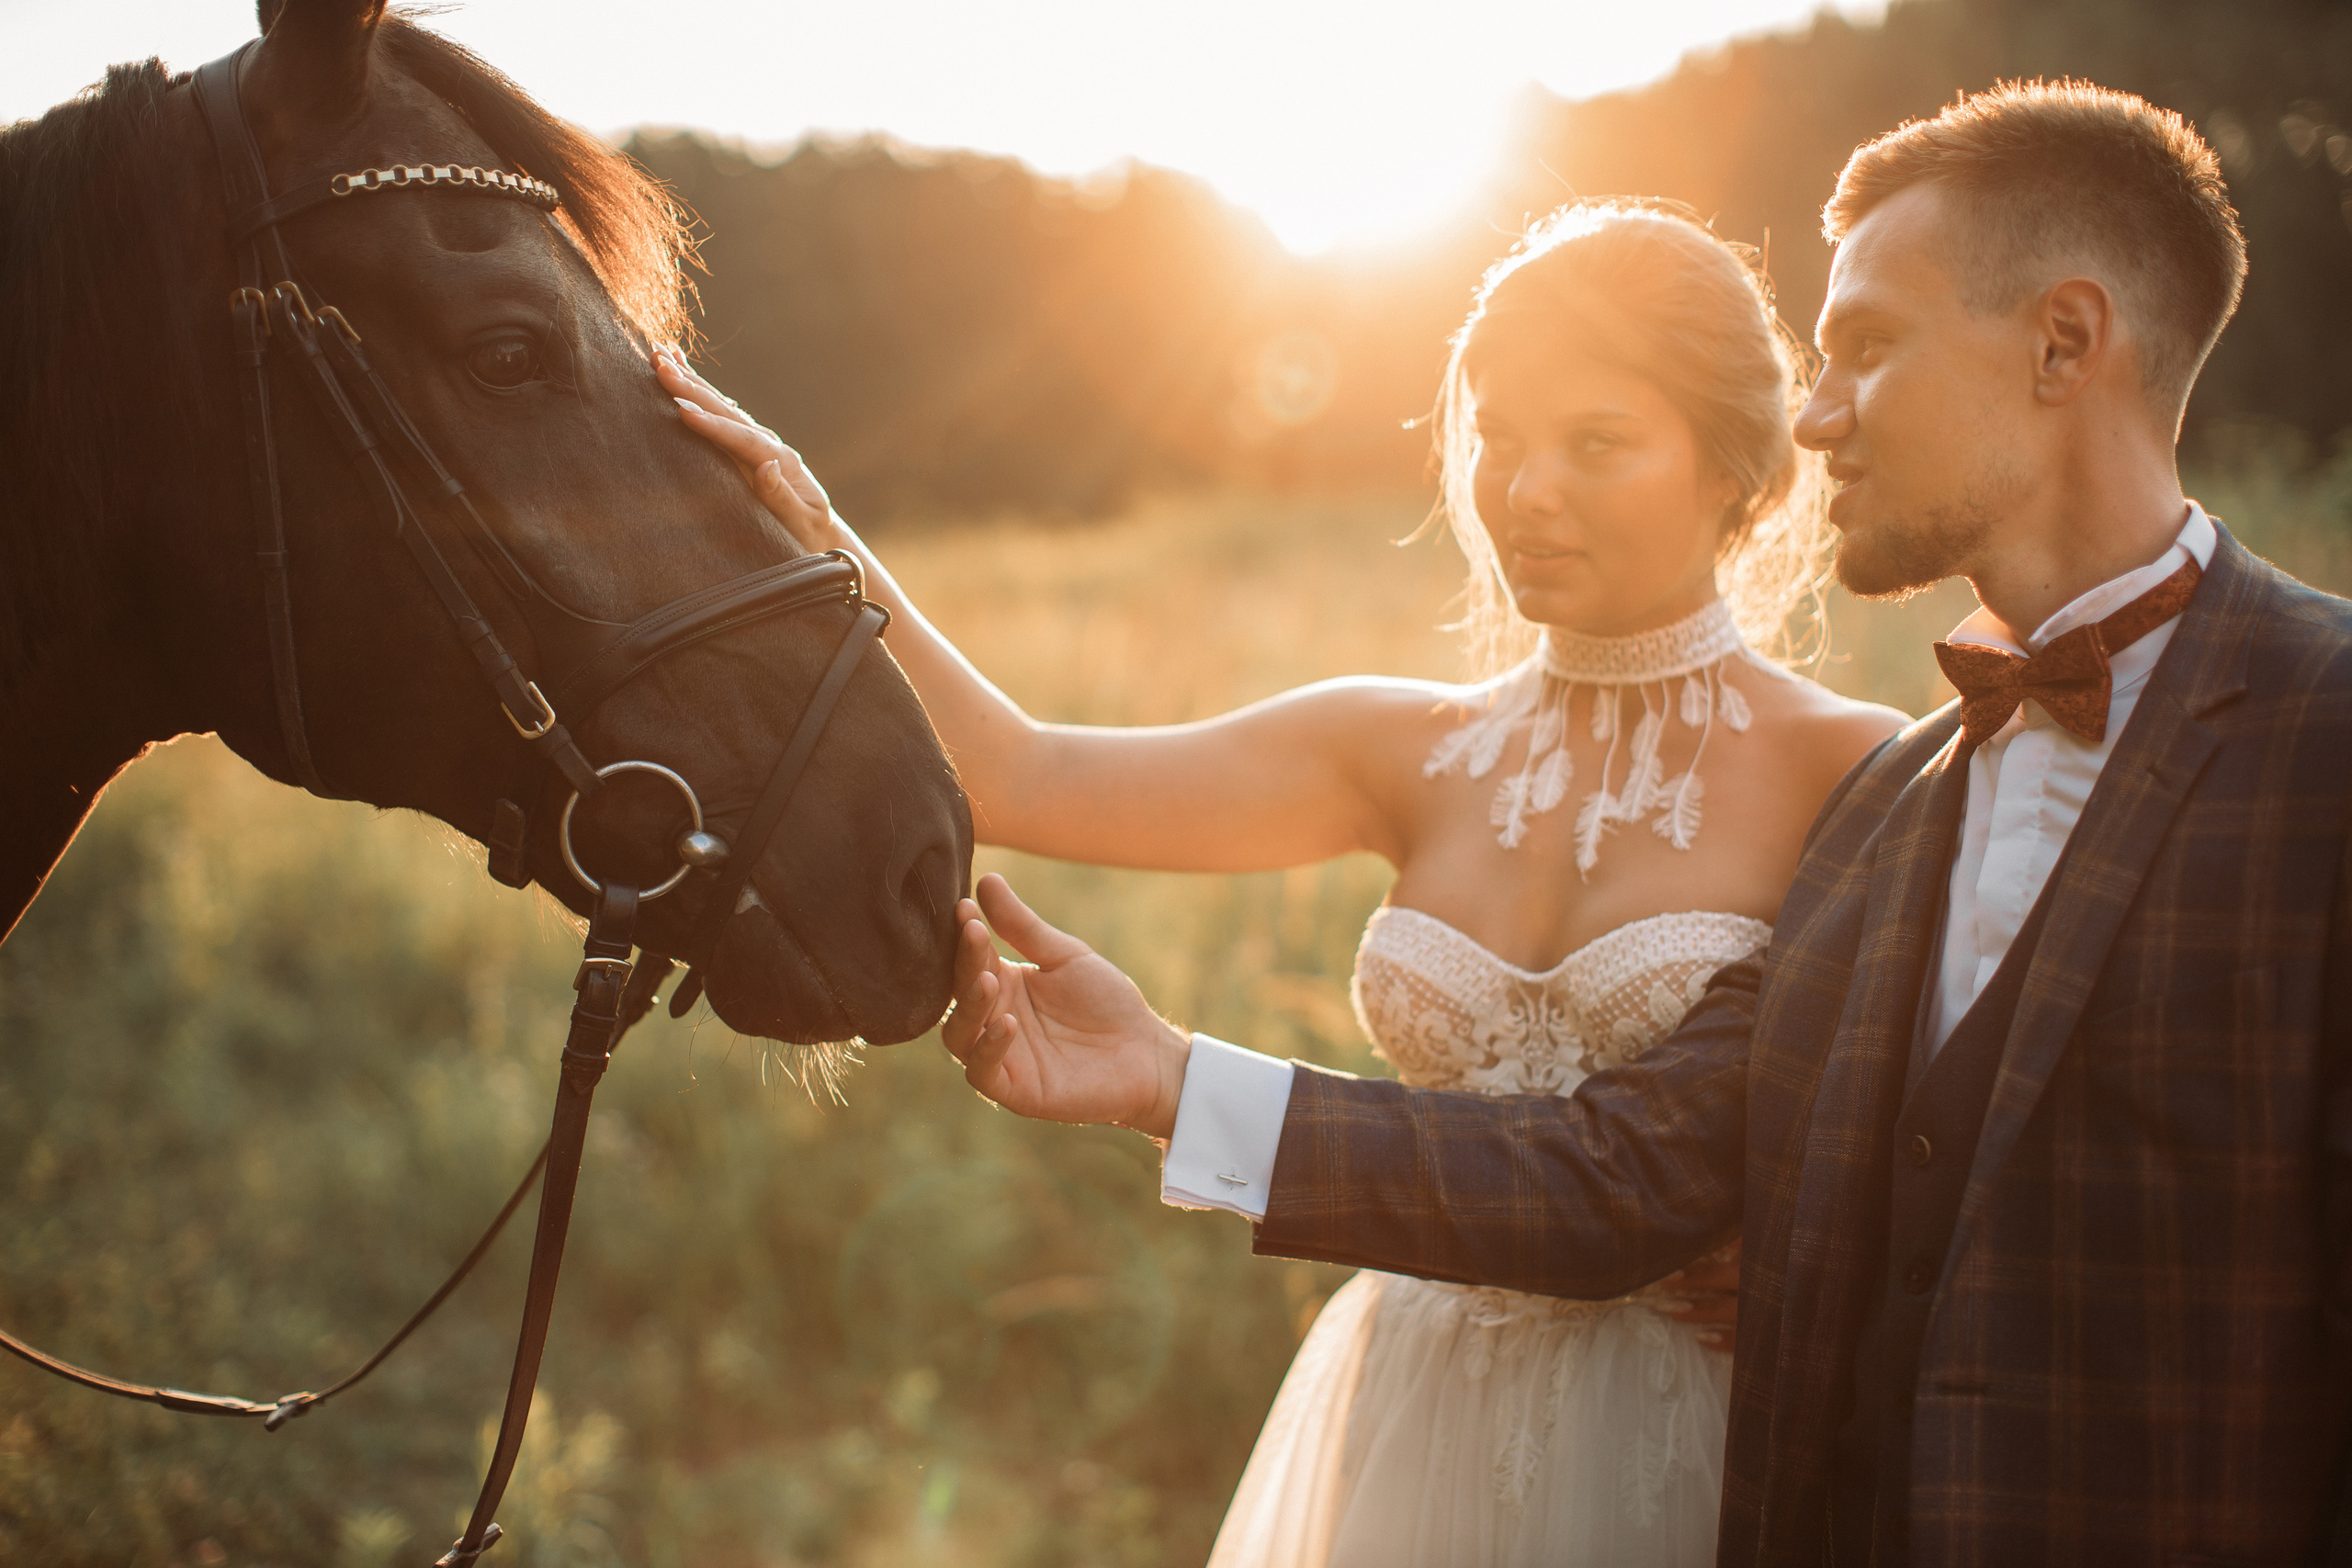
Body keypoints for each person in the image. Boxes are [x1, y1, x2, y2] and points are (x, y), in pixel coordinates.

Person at [925, 82, 2352, 1564]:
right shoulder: (1894, 806)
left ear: (2064, 341)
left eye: (1865, 347)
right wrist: (1169, 1077)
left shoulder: (2327, 731)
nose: (1815, 412)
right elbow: (1608, 1185)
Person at [661, 201, 1905, 1563]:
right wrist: (813, 528)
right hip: (1412, 1408)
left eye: (1594, 444)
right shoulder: (1401, 744)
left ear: (1741, 468)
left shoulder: (1863, 776)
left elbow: (1922, 1137)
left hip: (1706, 1436)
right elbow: (1021, 773)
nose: (1523, 490)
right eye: (1497, 436)